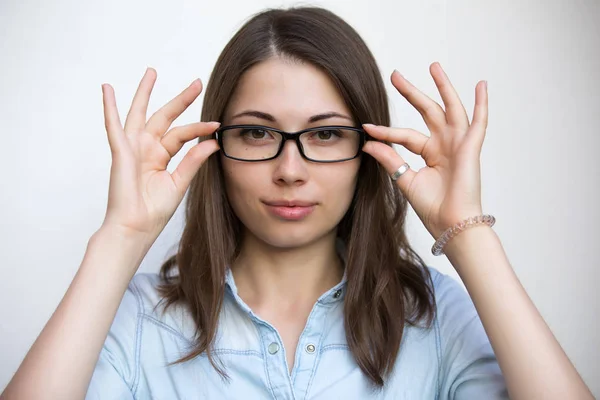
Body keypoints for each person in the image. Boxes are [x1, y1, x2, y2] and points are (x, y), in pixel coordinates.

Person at [1, 6, 593, 400]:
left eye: (326, 134)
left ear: (369, 149)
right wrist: (120, 238)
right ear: (216, 146)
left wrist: (468, 235)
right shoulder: (139, 321)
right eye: (258, 133)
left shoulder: (435, 317)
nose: (290, 170)